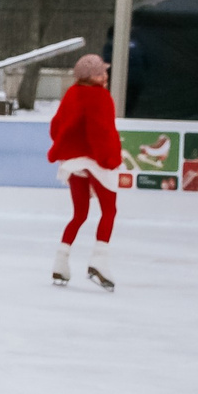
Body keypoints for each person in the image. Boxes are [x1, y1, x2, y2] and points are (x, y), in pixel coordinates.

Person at [48, 53, 121, 290]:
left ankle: (60, 261)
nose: (105, 76)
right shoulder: (101, 97)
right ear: (92, 77)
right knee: (109, 211)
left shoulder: (72, 93)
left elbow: (56, 126)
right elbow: (101, 132)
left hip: (72, 162)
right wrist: (110, 159)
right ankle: (99, 261)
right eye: (101, 73)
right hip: (96, 161)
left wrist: (67, 149)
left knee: (79, 214)